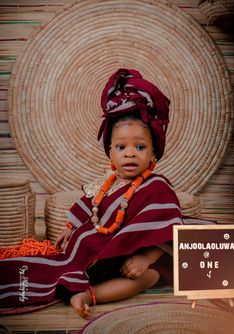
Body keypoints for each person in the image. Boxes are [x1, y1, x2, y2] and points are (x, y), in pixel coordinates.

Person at [0, 68, 182, 318]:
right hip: (91, 253)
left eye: (139, 146)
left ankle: (90, 294)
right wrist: (70, 227)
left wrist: (146, 258)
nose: (130, 153)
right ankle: (78, 277)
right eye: (121, 147)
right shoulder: (107, 183)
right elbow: (90, 204)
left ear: (153, 153)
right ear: (110, 153)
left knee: (150, 277)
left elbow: (167, 227)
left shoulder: (157, 187)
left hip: (126, 259)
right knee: (51, 266)